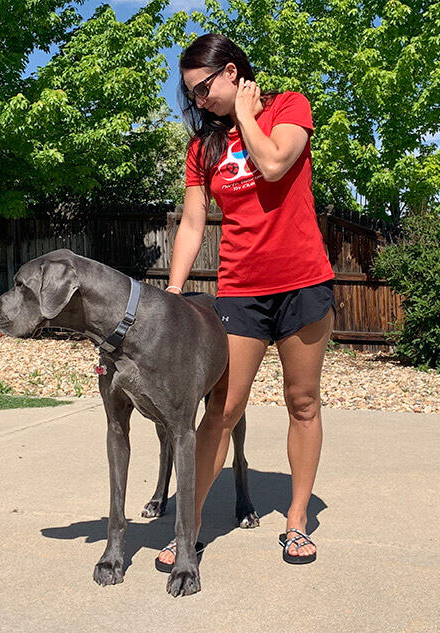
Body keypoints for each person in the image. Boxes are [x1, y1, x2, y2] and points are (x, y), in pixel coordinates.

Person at [157, 33, 335, 568]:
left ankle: (297, 520)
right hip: (241, 289)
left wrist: (247, 116)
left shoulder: (288, 106)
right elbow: (192, 224)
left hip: (303, 283)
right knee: (223, 409)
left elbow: (276, 163)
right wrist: (171, 292)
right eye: (190, 94)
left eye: (204, 88)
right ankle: (187, 528)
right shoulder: (202, 149)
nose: (197, 101)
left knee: (302, 402)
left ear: (232, 72)